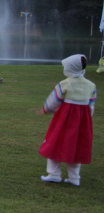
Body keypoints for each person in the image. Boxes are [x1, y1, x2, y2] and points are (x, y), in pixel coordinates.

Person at [39, 55, 97, 187]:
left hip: (65, 120)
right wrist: (87, 120)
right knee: (77, 146)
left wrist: (46, 110)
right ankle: (74, 177)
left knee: (55, 142)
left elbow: (53, 101)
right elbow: (91, 106)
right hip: (83, 122)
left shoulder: (65, 84)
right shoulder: (91, 86)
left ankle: (54, 174)